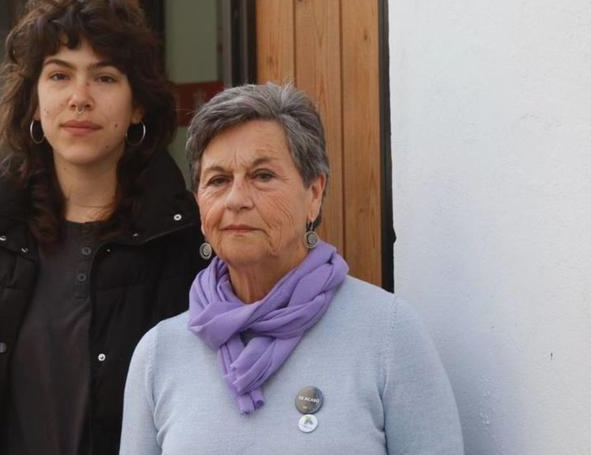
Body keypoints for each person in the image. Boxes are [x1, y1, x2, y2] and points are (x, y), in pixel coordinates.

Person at [0, 0, 206, 455]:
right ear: (33, 100)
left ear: (138, 107)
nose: (79, 98)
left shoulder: (184, 241)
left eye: (105, 77)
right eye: (59, 76)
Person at [120, 83, 463, 454]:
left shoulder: (388, 334)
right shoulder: (160, 353)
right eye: (218, 181)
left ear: (314, 194)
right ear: (200, 208)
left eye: (262, 176)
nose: (236, 199)